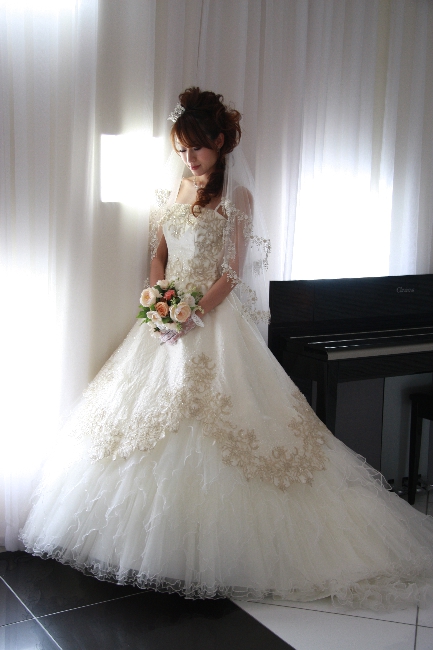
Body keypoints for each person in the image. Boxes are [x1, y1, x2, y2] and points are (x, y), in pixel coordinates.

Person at [21, 87, 433, 610]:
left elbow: (232, 273)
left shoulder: (238, 196)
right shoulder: (177, 188)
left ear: (219, 141)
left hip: (211, 322)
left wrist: (192, 312)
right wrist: (161, 301)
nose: (189, 158)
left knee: (228, 431)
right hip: (166, 321)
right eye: (181, 149)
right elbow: (159, 252)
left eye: (196, 147)